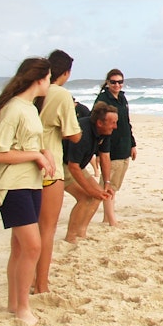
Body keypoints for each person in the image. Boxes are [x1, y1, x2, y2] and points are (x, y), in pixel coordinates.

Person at [0, 57, 56, 326]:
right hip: (12, 185)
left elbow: (28, 142)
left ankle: (14, 303)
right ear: (38, 79)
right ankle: (23, 309)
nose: (50, 83)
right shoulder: (12, 109)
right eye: (49, 78)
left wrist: (44, 152)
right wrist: (36, 156)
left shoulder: (30, 107)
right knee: (32, 246)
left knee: (19, 248)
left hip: (31, 183)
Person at [35, 49, 82, 294]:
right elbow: (73, 135)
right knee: (47, 229)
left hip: (26, 162)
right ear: (65, 73)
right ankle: (41, 284)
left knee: (28, 229)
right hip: (50, 166)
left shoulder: (31, 91)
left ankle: (28, 280)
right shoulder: (60, 94)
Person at [61, 102, 116, 243]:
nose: (115, 126)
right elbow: (73, 166)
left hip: (78, 166)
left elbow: (105, 156)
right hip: (62, 165)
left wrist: (107, 183)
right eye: (112, 123)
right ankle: (70, 237)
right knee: (85, 197)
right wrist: (90, 191)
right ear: (99, 123)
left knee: (100, 195)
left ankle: (81, 232)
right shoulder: (82, 133)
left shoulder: (105, 132)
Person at [95, 68, 136, 226]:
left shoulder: (122, 98)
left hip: (124, 146)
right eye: (113, 82)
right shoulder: (102, 100)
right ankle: (111, 219)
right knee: (107, 184)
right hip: (110, 148)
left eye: (120, 82)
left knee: (115, 185)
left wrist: (133, 144)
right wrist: (97, 151)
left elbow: (126, 123)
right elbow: (96, 125)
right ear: (108, 82)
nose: (117, 85)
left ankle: (108, 217)